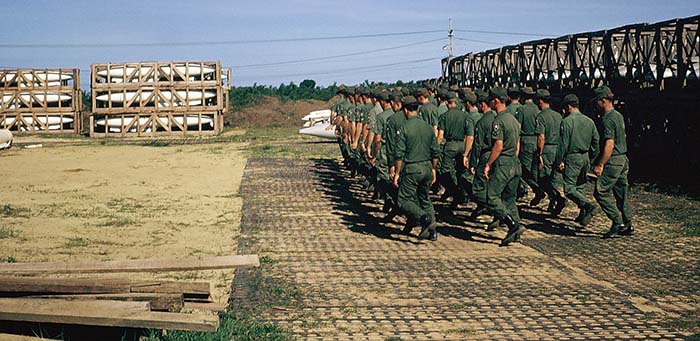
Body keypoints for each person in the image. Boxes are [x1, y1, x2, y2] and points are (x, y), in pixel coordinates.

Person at [393, 96, 441, 241]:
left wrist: (397, 173)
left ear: (405, 110)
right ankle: (432, 230)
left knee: (403, 200)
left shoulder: (404, 128)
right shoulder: (427, 127)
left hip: (412, 169)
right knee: (424, 198)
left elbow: (399, 154)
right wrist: (433, 168)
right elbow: (435, 151)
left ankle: (423, 218)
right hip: (427, 167)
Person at [591, 86, 634, 238]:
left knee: (601, 191)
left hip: (613, 159)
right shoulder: (619, 115)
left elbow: (609, 143)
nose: (596, 104)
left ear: (603, 101)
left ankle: (617, 221)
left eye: (597, 101)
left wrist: (600, 164)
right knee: (621, 193)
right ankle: (628, 224)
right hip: (623, 158)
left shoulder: (607, 119)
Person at [483, 87, 523, 246]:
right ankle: (516, 233)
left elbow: (498, 145)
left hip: (504, 163)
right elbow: (518, 144)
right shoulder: (513, 119)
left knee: (491, 197)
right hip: (514, 161)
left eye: (491, 100)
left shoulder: (499, 120)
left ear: (496, 101)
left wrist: (488, 164)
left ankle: (512, 225)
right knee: (510, 199)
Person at [555, 94, 600, 227]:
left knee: (569, 188)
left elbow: (563, 144)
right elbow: (596, 142)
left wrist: (558, 161)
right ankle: (583, 214)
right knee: (580, 185)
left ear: (568, 107)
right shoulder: (589, 121)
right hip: (585, 156)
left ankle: (588, 206)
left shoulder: (567, 122)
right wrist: (591, 157)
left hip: (572, 157)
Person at [534, 89, 567, 215]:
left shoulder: (541, 116)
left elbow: (541, 137)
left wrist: (540, 154)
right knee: (552, 178)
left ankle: (558, 198)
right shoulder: (558, 116)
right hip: (557, 149)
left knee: (542, 179)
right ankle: (553, 202)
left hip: (547, 149)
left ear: (540, 101)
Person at [436, 91, 469, 210]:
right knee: (461, 171)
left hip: (450, 145)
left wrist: (435, 147)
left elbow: (440, 136)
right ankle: (463, 193)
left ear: (446, 102)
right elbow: (469, 134)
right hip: (462, 144)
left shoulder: (444, 116)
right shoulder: (465, 115)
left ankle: (455, 192)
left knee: (444, 171)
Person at [516, 87, 545, 203]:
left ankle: (536, 190)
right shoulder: (538, 109)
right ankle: (538, 190)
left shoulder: (521, 109)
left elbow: (518, 127)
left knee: (524, 170)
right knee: (534, 170)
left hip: (525, 140)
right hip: (536, 139)